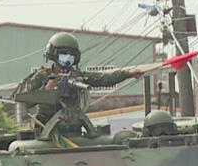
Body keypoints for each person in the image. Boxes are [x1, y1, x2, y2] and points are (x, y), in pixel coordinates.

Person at [13, 32, 143, 144]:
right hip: (48, 134)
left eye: (71, 54)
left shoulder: (77, 77)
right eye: (64, 54)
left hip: (74, 132)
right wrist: (45, 91)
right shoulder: (42, 76)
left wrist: (127, 73)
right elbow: (22, 99)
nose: (68, 58)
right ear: (53, 54)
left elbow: (103, 78)